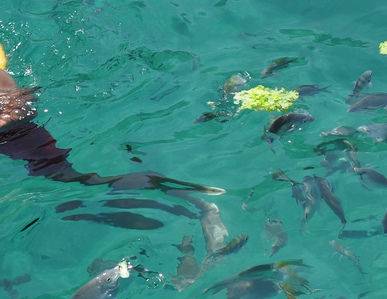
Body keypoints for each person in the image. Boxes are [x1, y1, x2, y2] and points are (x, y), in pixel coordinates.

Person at [0, 54, 222, 197]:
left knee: (61, 176)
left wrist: (9, 116)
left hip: (17, 136)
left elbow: (25, 105)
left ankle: (140, 183)